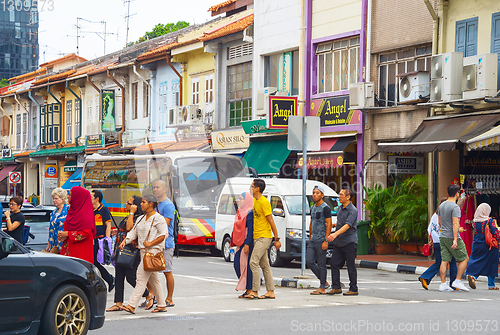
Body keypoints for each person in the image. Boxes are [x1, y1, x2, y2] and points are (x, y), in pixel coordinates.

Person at [119, 194, 168, 314]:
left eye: (143, 202)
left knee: (140, 278)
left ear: (151, 204)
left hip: (153, 252)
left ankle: (131, 305)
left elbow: (163, 235)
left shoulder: (158, 218)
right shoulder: (141, 218)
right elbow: (134, 231)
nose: (141, 204)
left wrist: (151, 243)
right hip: (143, 251)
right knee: (154, 280)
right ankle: (161, 305)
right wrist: (125, 241)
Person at [106, 196, 154, 312]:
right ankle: (118, 303)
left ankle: (148, 295)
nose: (126, 205)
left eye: (129, 203)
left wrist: (132, 213)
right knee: (119, 276)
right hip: (122, 249)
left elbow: (129, 228)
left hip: (132, 250)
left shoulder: (139, 217)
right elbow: (124, 228)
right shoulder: (128, 216)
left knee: (130, 276)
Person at [246, 178, 281, 299]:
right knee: (264, 265)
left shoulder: (264, 202)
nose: (250, 188)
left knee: (253, 262)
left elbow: (271, 221)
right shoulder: (255, 201)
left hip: (264, 237)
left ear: (257, 188)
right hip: (257, 236)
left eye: (252, 186)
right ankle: (270, 291)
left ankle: (255, 291)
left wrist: (277, 239)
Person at [418, 198, 458, 290]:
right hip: (446, 241)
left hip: (436, 242)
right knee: (452, 262)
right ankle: (453, 283)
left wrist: (431, 239)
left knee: (439, 263)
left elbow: (430, 229)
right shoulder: (447, 215)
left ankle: (425, 277)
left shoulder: (434, 216)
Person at [438, 184, 470, 291]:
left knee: (445, 260)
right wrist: (455, 239)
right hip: (452, 236)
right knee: (464, 258)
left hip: (442, 236)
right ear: (457, 194)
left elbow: (439, 222)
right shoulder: (455, 207)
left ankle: (443, 284)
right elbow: (455, 223)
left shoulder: (442, 205)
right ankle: (458, 280)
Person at [327, 187, 358, 296]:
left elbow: (347, 225)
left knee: (350, 265)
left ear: (348, 197)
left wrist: (335, 234)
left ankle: (353, 288)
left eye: (341, 195)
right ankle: (336, 287)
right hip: (339, 242)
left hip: (349, 242)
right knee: (334, 263)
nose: (339, 196)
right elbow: (341, 223)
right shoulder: (340, 208)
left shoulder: (353, 210)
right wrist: (332, 226)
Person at [153, 180, 176, 307]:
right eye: (154, 187)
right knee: (151, 271)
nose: (155, 189)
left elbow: (164, 225)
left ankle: (169, 298)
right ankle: (154, 297)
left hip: (166, 243)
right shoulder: (157, 204)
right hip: (155, 243)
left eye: (158, 187)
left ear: (165, 189)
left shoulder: (168, 205)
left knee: (167, 271)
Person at [466, 203, 500, 290]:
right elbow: (495, 233)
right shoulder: (489, 221)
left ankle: (473, 276)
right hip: (489, 245)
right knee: (491, 263)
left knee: (479, 262)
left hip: (477, 244)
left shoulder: (474, 221)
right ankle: (491, 284)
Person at [58, 186, 95, 264]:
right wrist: (63, 236)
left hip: (80, 252)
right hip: (69, 249)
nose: (68, 196)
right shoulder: (72, 211)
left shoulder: (86, 214)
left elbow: (85, 233)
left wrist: (67, 234)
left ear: (78, 197)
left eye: (70, 195)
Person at [307, 185, 332, 295]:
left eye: (317, 193)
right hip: (313, 239)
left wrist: (326, 240)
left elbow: (329, 224)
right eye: (313, 193)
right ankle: (324, 282)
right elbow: (311, 223)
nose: (314, 195)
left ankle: (322, 286)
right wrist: (310, 236)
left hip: (321, 239)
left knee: (321, 263)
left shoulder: (326, 208)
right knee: (309, 261)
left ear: (322, 195)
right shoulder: (312, 207)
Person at [91, 189, 115, 292]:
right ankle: (107, 280)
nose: (90, 199)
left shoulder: (103, 209)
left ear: (97, 199)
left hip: (100, 240)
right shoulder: (90, 210)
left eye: (91, 197)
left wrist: (107, 239)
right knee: (93, 262)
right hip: (92, 240)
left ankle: (109, 279)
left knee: (96, 262)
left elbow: (108, 225)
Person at [231, 192, 254, 297]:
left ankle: (249, 289)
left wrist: (247, 244)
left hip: (246, 242)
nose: (239, 200)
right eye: (238, 198)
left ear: (247, 200)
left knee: (246, 266)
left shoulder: (249, 212)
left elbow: (250, 230)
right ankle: (247, 288)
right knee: (237, 264)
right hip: (240, 243)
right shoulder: (240, 211)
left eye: (241, 199)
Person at [45, 188, 69, 253]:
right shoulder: (53, 212)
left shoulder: (68, 210)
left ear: (62, 199)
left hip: (64, 243)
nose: (54, 200)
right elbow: (51, 229)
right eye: (53, 198)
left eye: (56, 198)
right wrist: (48, 245)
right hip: (54, 243)